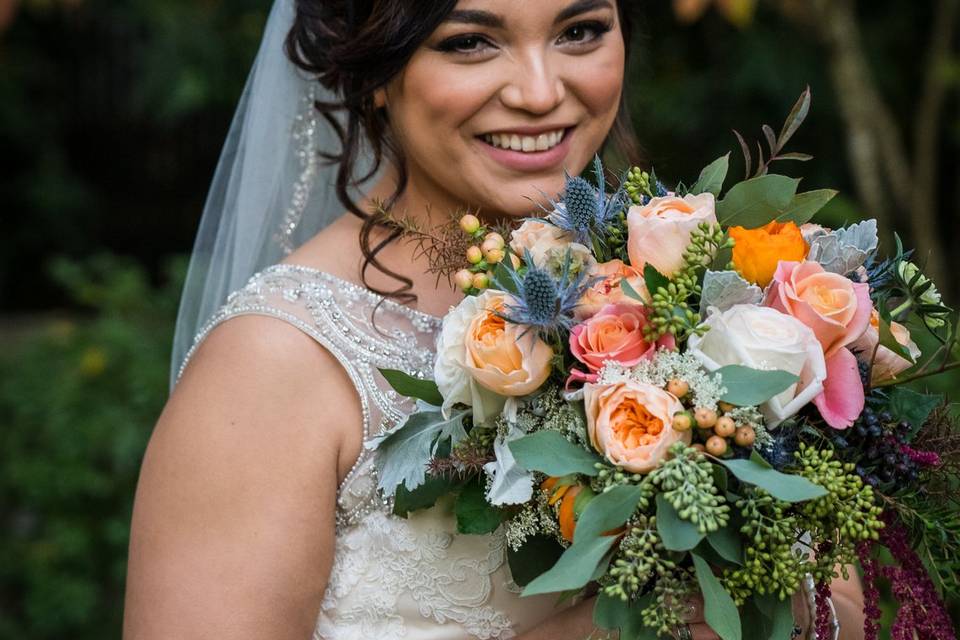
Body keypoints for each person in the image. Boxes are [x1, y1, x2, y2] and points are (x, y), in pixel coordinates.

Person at [123, 1, 863, 638]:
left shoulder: (686, 284)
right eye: (470, 41)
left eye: (578, 31)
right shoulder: (273, 363)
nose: (542, 93)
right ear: (373, 69)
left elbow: (841, 596)